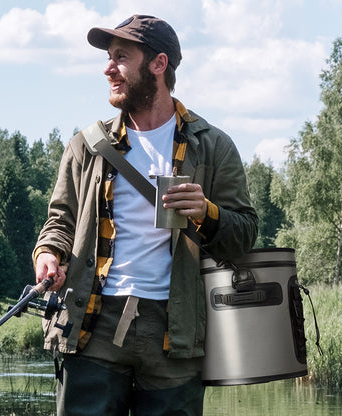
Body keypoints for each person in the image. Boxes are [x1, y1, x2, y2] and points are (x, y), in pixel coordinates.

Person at [33, 14, 258, 416]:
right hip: (92, 322)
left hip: (176, 330)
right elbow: (60, 221)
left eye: (121, 57)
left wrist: (207, 213)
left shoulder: (213, 146)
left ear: (158, 64)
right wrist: (49, 253)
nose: (108, 68)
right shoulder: (87, 145)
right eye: (108, 57)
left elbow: (244, 236)